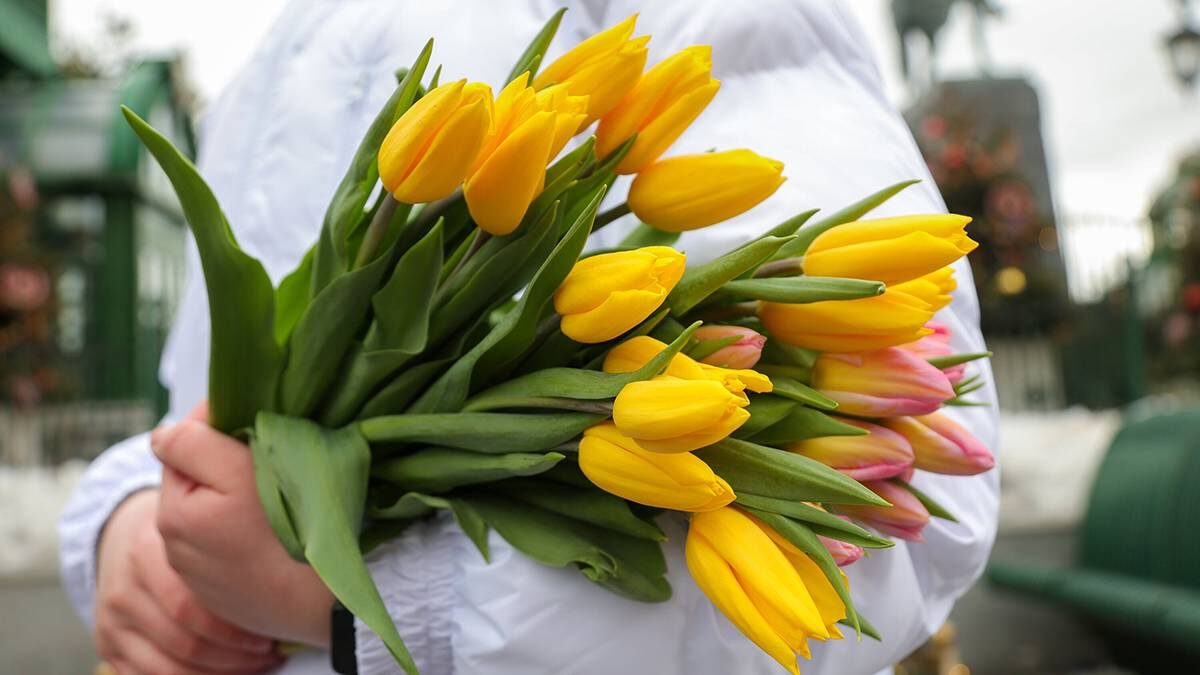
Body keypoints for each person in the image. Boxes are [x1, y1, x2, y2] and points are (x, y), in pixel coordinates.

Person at [59, 1, 1000, 673]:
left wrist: (377, 608)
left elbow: (907, 522)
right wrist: (132, 524)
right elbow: (206, 399)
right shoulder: (278, 47)